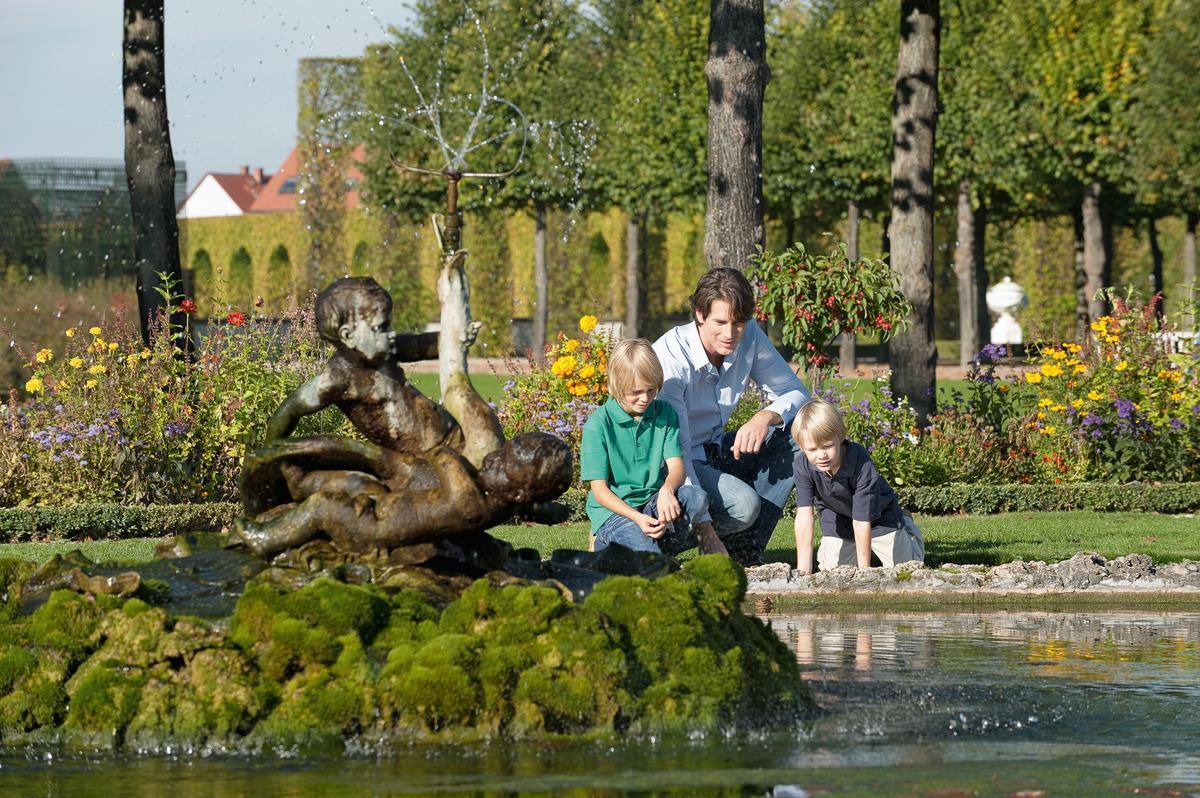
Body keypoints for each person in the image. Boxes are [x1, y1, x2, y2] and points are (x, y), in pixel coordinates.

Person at [235, 276, 569, 558]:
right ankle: (524, 506)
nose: (391, 333)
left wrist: (453, 339)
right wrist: (274, 458)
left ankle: (527, 501)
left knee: (498, 464)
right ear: (349, 336)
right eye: (382, 327)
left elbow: (425, 345)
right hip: (420, 461)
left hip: (449, 435)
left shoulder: (384, 350)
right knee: (472, 485)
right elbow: (288, 410)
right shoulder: (337, 378)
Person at [653, 268, 809, 566]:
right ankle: (649, 543)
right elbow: (678, 452)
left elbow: (797, 393)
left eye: (738, 323)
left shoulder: (748, 336)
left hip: (715, 449)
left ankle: (742, 553)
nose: (730, 333)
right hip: (669, 466)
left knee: (799, 438)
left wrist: (766, 415)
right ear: (699, 313)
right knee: (743, 505)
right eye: (721, 322)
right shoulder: (672, 360)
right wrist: (706, 531)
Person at [580, 339, 722, 556]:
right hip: (614, 513)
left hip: (651, 504)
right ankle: (608, 545)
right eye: (636, 392)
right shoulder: (598, 425)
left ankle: (647, 551)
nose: (645, 398)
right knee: (646, 551)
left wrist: (667, 489)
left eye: (651, 389)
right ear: (616, 385)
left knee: (696, 497)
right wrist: (637, 518)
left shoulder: (664, 413)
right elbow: (599, 491)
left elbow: (677, 467)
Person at [791, 399, 925, 573]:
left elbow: (862, 518)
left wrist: (864, 572)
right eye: (812, 449)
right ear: (802, 447)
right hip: (838, 516)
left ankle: (906, 524)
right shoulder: (802, 466)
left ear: (840, 437)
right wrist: (803, 573)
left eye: (828, 446)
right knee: (832, 570)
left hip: (879, 516)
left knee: (905, 568)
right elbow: (804, 516)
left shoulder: (860, 462)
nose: (821, 455)